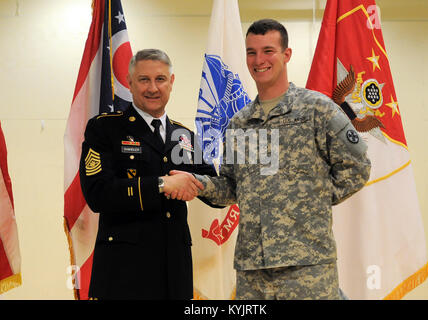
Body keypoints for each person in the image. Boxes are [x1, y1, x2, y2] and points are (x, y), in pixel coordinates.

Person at [170, 19, 371, 299]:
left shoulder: (317, 110)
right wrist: (196, 182)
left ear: (286, 55)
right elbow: (232, 187)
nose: (259, 60)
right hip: (253, 270)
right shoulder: (240, 124)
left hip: (307, 264)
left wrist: (312, 200)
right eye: (251, 52)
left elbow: (358, 166)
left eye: (268, 51)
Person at [79, 49, 217, 299]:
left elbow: (215, 190)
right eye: (144, 79)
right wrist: (163, 184)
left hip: (175, 273)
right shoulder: (105, 128)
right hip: (124, 273)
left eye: (160, 79)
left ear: (171, 82)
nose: (153, 88)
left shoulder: (183, 136)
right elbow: (98, 194)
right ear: (130, 83)